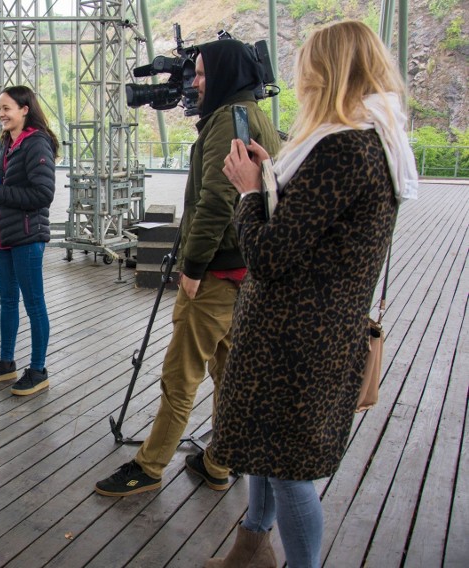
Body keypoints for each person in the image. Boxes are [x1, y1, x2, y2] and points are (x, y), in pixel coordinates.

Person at [205, 20, 418, 567]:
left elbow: (272, 254)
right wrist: (270, 175)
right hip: (309, 333)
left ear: (326, 73)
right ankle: (251, 550)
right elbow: (313, 229)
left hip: (298, 341)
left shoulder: (343, 148)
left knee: (289, 470)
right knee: (263, 446)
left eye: (307, 69)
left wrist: (250, 192)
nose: (300, 81)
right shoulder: (374, 141)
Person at [94, 38, 281, 497]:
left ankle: (150, 465)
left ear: (224, 74)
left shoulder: (226, 121)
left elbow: (216, 201)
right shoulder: (257, 116)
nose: (194, 83)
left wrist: (192, 268)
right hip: (246, 272)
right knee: (228, 371)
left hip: (216, 273)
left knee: (181, 374)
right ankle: (219, 462)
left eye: (200, 74)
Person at [0, 85, 58, 396]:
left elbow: (43, 194)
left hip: (27, 236)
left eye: (7, 108)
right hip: (3, 235)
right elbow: (4, 187)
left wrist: (2, 193)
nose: (1, 114)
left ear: (24, 109)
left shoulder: (37, 144)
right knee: (7, 301)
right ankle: (6, 362)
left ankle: (38, 369)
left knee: (34, 304)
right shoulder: (5, 144)